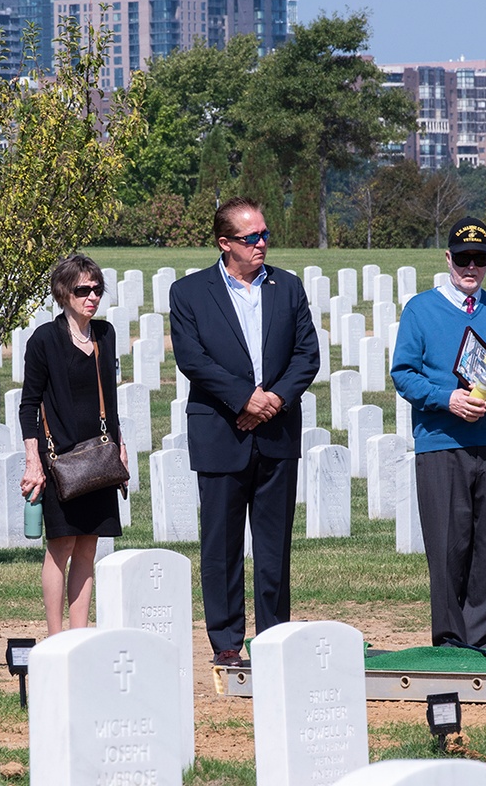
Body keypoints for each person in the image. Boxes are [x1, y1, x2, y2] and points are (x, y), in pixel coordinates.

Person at [169, 196, 320, 667]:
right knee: (222, 546)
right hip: (221, 432)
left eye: (264, 234)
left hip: (276, 431)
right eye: (251, 237)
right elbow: (193, 360)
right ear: (224, 243)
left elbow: (306, 355)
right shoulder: (190, 292)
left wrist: (271, 401)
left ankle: (274, 639)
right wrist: (244, 398)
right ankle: (227, 642)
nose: (261, 243)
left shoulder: (287, 287)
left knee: (274, 546)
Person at [391, 217, 486, 648]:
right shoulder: (420, 310)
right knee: (448, 547)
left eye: (481, 259)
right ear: (448, 258)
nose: (471, 268)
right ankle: (450, 641)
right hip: (441, 443)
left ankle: (480, 641)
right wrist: (446, 399)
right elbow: (403, 374)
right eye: (464, 259)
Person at [19, 255, 126, 635]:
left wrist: (120, 444)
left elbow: (109, 397)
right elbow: (29, 404)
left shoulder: (105, 334)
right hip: (59, 458)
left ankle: (80, 634)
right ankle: (55, 635)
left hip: (98, 457)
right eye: (83, 290)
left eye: (97, 289)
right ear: (64, 293)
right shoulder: (45, 339)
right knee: (61, 546)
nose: (92, 296)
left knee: (88, 548)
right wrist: (33, 461)